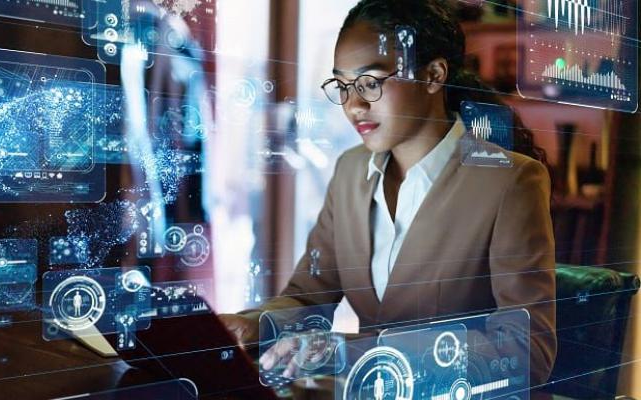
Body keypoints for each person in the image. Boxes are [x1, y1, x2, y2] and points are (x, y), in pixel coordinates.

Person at [219, 0, 556, 387]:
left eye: (370, 83)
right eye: (343, 86)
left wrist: (351, 352)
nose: (353, 105)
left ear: (433, 75)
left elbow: (526, 351)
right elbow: (309, 296)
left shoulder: (509, 182)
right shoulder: (350, 171)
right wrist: (250, 325)